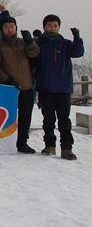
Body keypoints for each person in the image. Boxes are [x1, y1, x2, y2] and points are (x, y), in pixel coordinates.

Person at [35, 14, 84, 160]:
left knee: (64, 120)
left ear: (59, 27)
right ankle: (49, 145)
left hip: (63, 88)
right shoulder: (39, 44)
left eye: (55, 26)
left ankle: (67, 148)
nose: (52, 28)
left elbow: (78, 53)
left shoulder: (66, 44)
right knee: (48, 120)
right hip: (45, 88)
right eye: (49, 25)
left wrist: (77, 39)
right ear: (44, 27)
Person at [0, 17, 40, 154]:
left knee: (25, 116)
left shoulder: (23, 42)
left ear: (16, 27)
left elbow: (34, 53)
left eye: (12, 26)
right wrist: (7, 80)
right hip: (8, 88)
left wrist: (30, 42)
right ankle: (5, 141)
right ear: (2, 29)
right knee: (7, 116)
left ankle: (22, 142)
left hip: (26, 86)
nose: (10, 29)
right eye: (6, 27)